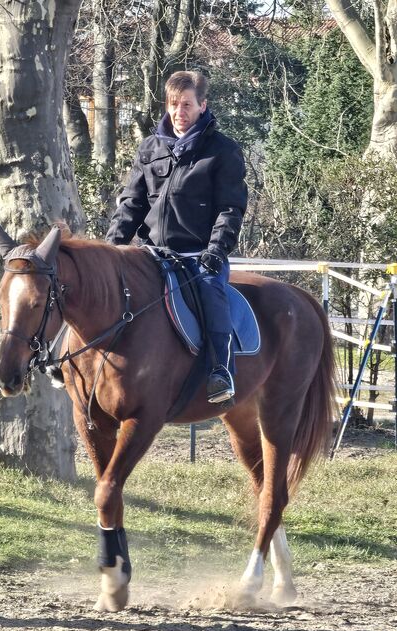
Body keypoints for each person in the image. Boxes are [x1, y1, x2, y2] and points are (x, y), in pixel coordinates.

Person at [105, 71, 247, 404]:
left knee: (212, 291)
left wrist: (216, 250)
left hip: (198, 255)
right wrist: (111, 248)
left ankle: (220, 371)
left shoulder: (223, 151)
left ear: (202, 105)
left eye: (186, 105)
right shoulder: (150, 148)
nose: (179, 112)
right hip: (150, 252)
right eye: (173, 104)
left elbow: (231, 208)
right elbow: (131, 203)